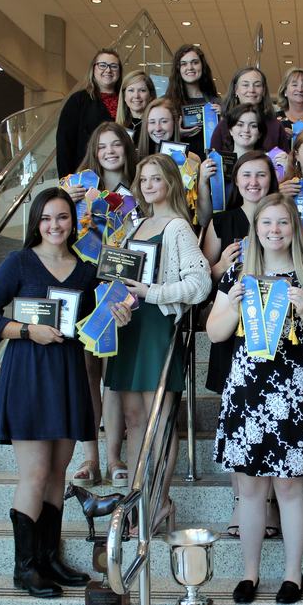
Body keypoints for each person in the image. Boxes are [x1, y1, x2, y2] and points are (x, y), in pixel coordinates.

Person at [0, 187, 131, 597]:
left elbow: (94, 328)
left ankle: (48, 559)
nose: (54, 225)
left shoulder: (84, 270)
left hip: (67, 373)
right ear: (36, 223)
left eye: (61, 217)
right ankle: (24, 568)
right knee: (36, 472)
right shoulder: (19, 262)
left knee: (58, 472)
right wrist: (28, 331)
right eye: (46, 218)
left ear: (72, 222)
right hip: (27, 375)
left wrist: (120, 314)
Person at [207, 193, 303, 604]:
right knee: (250, 492)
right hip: (246, 394)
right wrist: (231, 307)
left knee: (288, 489)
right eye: (267, 223)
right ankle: (249, 573)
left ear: (294, 228)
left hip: (292, 394)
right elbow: (215, 333)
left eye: (282, 223)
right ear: (256, 229)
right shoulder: (237, 275)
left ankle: (291, 574)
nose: (274, 230)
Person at [105, 154, 212, 530]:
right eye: (144, 180)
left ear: (170, 183)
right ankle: (137, 498)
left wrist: (153, 292)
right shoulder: (135, 225)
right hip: (129, 325)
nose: (149, 186)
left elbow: (200, 285)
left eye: (156, 179)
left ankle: (160, 501)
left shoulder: (178, 228)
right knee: (134, 420)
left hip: (156, 326)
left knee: (159, 422)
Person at [202, 151, 282, 540]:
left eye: (261, 175)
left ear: (272, 179)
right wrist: (220, 268)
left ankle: (270, 507)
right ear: (236, 180)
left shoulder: (287, 220)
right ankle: (242, 503)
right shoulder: (222, 221)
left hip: (279, 343)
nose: (254, 182)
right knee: (240, 427)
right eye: (246, 175)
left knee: (273, 426)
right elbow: (204, 278)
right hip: (235, 337)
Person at [63, 122, 138, 487]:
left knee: (115, 379)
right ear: (94, 151)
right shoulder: (75, 190)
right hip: (83, 285)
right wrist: (69, 205)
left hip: (122, 285)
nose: (110, 151)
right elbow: (50, 233)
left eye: (116, 145)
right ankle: (90, 456)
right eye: (102, 146)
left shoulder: (140, 188)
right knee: (88, 374)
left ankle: (113, 456)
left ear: (126, 148)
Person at [57, 48, 121, 177]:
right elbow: (65, 144)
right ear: (94, 69)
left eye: (113, 66)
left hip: (121, 175)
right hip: (87, 176)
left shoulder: (127, 99)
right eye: (102, 65)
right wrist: (66, 183)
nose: (108, 70)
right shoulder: (78, 100)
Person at [209, 68, 291, 153]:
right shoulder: (224, 125)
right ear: (235, 90)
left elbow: (285, 162)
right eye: (245, 85)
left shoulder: (275, 126)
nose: (251, 90)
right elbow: (214, 160)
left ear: (264, 91)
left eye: (257, 85)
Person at [164, 44, 221, 157]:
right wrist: (176, 133)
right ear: (178, 69)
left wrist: (223, 118)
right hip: (177, 168)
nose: (190, 67)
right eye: (184, 64)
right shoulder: (166, 103)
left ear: (202, 66)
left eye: (195, 62)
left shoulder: (216, 103)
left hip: (211, 167)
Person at [115, 70, 156, 138]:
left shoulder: (156, 126)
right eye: (131, 90)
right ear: (124, 96)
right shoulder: (118, 127)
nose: (136, 96)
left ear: (151, 96)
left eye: (142, 90)